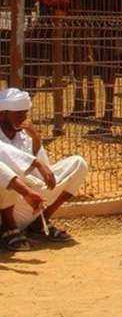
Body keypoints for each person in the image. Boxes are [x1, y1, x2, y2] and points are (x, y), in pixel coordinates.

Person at [0, 88, 88, 250]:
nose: (23, 118)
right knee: (9, 174)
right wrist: (35, 165)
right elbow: (9, 161)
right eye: (18, 114)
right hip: (7, 205)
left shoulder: (23, 134)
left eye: (25, 113)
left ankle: (40, 222)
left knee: (78, 163)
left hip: (32, 200)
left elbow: (45, 171)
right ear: (2, 114)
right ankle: (9, 229)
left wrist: (36, 139)